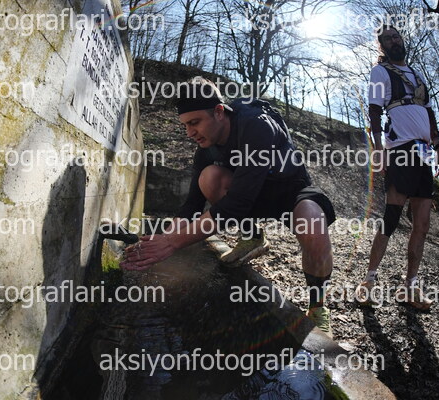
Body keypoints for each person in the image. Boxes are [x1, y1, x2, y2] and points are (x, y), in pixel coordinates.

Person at [120, 77, 336, 336]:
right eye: (185, 125)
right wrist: (161, 241)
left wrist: (173, 243)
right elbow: (192, 205)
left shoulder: (256, 126)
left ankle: (318, 306)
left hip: (289, 191)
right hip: (251, 196)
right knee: (209, 177)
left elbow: (237, 204)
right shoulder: (205, 148)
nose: (189, 133)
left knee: (312, 223)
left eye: (194, 122)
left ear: (219, 112)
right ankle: (252, 237)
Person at [355, 25, 439, 310]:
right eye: (387, 39)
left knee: (422, 224)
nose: (394, 41)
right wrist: (378, 150)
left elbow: (429, 112)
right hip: (400, 150)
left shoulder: (417, 74)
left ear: (402, 40)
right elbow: (374, 112)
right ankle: (368, 282)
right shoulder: (380, 72)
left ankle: (409, 287)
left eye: (396, 36)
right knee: (391, 217)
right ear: (382, 46)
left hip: (424, 153)